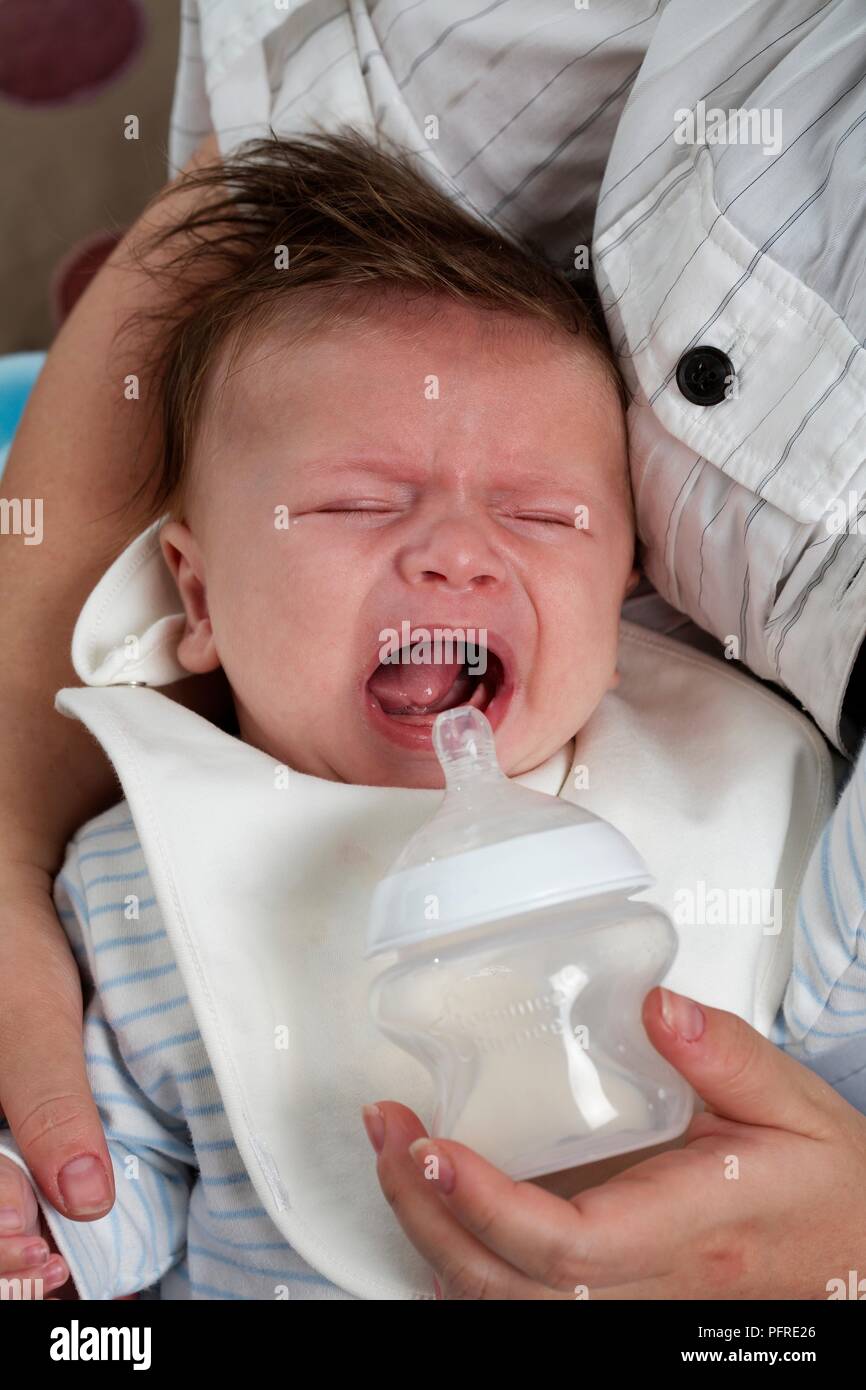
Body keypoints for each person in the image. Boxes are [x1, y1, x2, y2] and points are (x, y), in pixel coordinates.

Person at [1, 0, 863, 1297]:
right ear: (198, 596)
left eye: (538, 514)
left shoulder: (758, 813)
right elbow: (104, 1198)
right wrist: (35, 1224)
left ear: (634, 588)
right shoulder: (133, 890)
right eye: (355, 503)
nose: (456, 553)